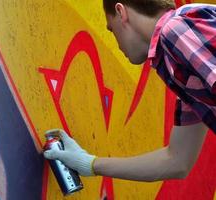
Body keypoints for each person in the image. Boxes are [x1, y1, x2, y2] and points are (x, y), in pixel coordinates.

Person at [44, 0, 216, 182]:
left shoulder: (175, 28)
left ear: (121, 12)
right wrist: (88, 163)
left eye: (112, 29)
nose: (117, 44)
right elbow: (177, 161)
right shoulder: (180, 70)